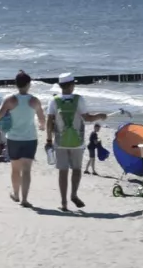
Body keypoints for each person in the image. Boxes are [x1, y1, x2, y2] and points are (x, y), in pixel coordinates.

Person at [44, 73, 108, 209]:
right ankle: (73, 194)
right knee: (77, 170)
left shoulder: (54, 101)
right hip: (77, 141)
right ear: (72, 85)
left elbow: (49, 122)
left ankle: (63, 202)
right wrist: (100, 116)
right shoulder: (79, 100)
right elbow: (88, 118)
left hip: (60, 142)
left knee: (63, 172)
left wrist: (49, 139)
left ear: (61, 86)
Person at [0, 71, 46, 208]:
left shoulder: (10, 100)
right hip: (30, 138)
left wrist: (7, 112)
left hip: (13, 138)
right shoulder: (34, 100)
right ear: (29, 84)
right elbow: (42, 119)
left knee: (15, 169)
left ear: (16, 84)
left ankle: (16, 194)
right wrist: (42, 126)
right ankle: (24, 199)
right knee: (27, 170)